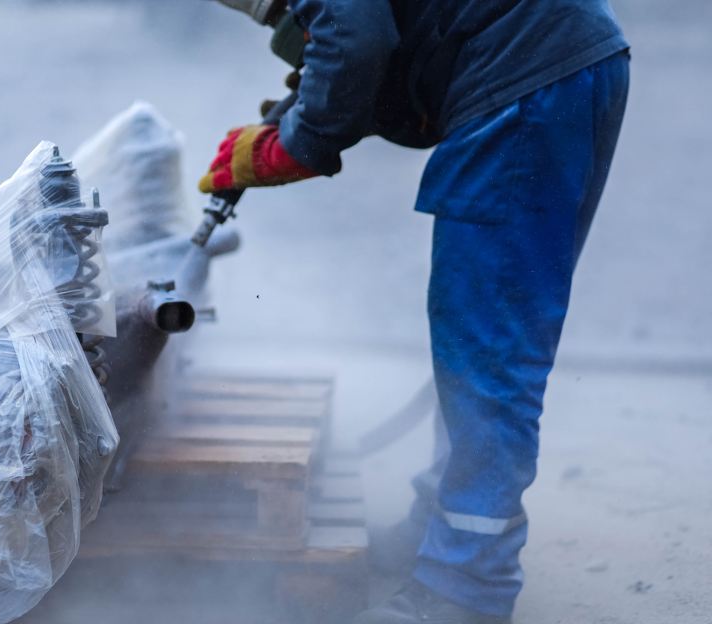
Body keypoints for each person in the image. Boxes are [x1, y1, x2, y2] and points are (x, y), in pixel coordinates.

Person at [198, 1, 630, 622]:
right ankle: (443, 529)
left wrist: (300, 142)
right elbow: (381, 30)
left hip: (523, 81)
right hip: (554, 63)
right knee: (473, 344)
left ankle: (465, 586)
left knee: (487, 353)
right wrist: (296, 112)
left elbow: (358, 38)